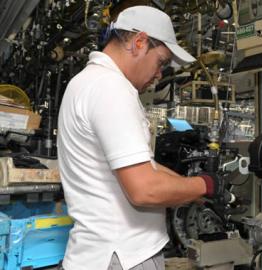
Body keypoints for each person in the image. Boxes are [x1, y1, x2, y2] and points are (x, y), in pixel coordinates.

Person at [57, 6, 222, 270]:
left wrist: (188, 188)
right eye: (161, 61)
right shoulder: (111, 88)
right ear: (139, 42)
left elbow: (146, 167)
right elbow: (145, 189)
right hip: (122, 257)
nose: (159, 75)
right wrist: (206, 185)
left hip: (101, 253)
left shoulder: (87, 82)